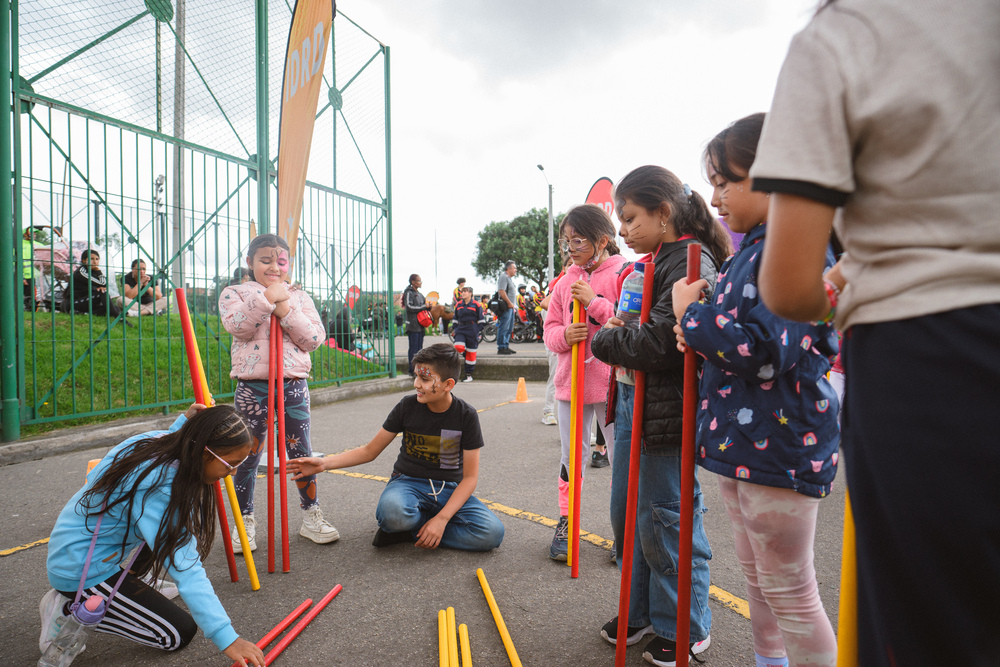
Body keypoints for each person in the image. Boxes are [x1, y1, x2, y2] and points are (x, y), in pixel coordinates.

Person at [748, 2, 1000, 662]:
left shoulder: (847, 31)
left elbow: (790, 284)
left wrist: (838, 293)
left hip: (930, 350)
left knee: (934, 628)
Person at [672, 114, 839, 667]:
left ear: (775, 176)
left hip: (781, 444)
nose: (714, 196)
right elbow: (739, 340)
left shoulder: (796, 251)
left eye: (726, 180)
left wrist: (691, 317)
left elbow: (765, 354)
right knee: (759, 581)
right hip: (745, 444)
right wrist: (697, 327)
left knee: (790, 592)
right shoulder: (754, 249)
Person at [591, 165, 731, 666]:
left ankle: (686, 626)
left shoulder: (692, 263)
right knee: (629, 515)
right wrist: (617, 328)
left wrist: (604, 337)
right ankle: (643, 611)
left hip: (667, 411)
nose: (623, 230)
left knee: (665, 520)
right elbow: (637, 325)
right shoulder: (653, 261)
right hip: (634, 402)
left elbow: (663, 344)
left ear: (664, 213)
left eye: (630, 218)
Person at [40, 403, 265, 666]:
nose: (234, 471)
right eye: (231, 464)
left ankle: (132, 588)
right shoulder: (159, 488)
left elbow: (177, 436)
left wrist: (185, 423)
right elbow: (186, 567)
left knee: (161, 530)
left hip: (82, 546)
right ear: (203, 453)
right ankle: (68, 610)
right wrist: (227, 637)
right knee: (176, 634)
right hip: (81, 571)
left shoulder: (156, 441)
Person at [288, 344, 505, 551]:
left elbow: (469, 478)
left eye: (425, 379)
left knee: (492, 533)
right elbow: (369, 451)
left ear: (448, 384)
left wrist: (442, 518)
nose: (416, 384)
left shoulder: (466, 415)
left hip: (449, 489)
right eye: (416, 376)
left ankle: (412, 531)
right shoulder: (407, 407)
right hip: (408, 484)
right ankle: (417, 526)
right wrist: (323, 463)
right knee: (392, 513)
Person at [219, 233, 338, 554]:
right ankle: (244, 520)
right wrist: (264, 299)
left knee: (301, 451)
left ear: (289, 263)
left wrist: (285, 308)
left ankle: (310, 514)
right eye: (265, 260)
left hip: (292, 385)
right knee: (247, 452)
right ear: (250, 262)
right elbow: (238, 327)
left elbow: (313, 338)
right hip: (252, 387)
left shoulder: (300, 298)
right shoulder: (234, 293)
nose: (274, 266)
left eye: (280, 261)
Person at [541, 204, 626, 561]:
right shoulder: (565, 280)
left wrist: (596, 304)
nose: (571, 248)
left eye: (578, 240)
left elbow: (628, 322)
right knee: (570, 458)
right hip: (570, 385)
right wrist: (565, 335)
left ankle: (625, 529)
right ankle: (567, 521)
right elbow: (549, 331)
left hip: (612, 385)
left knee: (620, 460)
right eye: (566, 242)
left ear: (602, 239)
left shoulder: (623, 272)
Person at [71, 249, 122, 318]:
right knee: (103, 293)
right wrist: (99, 272)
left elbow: (104, 284)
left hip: (89, 300)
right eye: (91, 259)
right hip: (75, 302)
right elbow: (102, 283)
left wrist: (101, 285)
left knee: (114, 308)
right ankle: (118, 318)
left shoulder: (93, 271)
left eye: (97, 259)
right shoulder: (81, 272)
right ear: (83, 260)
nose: (94, 262)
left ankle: (84, 313)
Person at [452, 286, 484, 382]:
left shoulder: (476, 305)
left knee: (471, 352)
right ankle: (466, 354)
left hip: (472, 329)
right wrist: (456, 328)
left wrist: (477, 330)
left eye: (466, 291)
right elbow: (455, 318)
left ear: (470, 293)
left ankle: (468, 375)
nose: (463, 293)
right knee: (458, 346)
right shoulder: (458, 304)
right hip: (461, 329)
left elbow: (481, 320)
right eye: (462, 291)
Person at [402, 273, 432, 374]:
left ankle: (419, 369)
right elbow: (409, 307)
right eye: (418, 281)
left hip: (421, 325)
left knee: (420, 349)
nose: (420, 282)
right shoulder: (408, 293)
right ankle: (412, 370)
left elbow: (424, 309)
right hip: (412, 325)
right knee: (413, 349)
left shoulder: (420, 295)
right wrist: (424, 307)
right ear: (413, 282)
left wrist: (428, 307)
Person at [495, 260, 518, 354]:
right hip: (506, 307)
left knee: (509, 328)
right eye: (514, 268)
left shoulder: (509, 278)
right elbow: (501, 291)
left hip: (511, 307)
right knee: (504, 327)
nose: (516, 270)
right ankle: (501, 347)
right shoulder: (503, 276)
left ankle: (506, 345)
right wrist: (509, 303)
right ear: (509, 268)